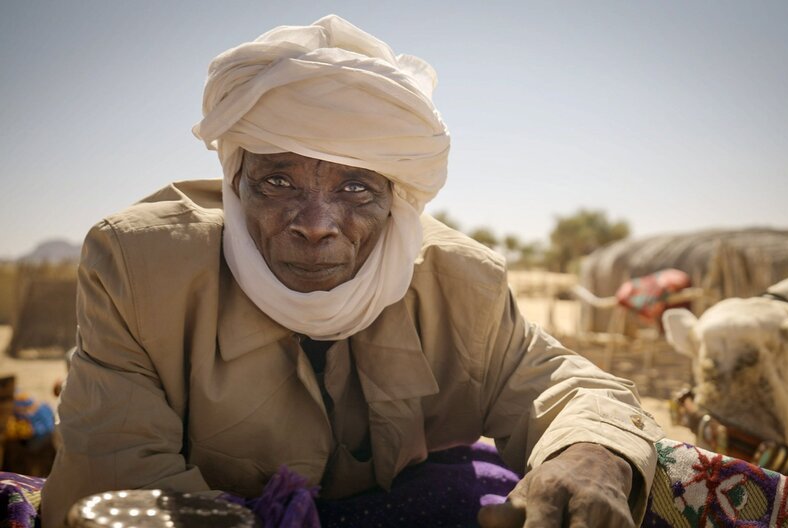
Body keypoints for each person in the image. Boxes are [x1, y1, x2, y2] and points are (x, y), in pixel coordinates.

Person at [41, 15, 663, 527]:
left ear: (398, 199)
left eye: (357, 187)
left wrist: (591, 454)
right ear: (235, 182)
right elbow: (114, 481)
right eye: (278, 180)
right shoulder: (138, 269)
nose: (316, 223)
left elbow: (566, 387)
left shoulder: (459, 281)